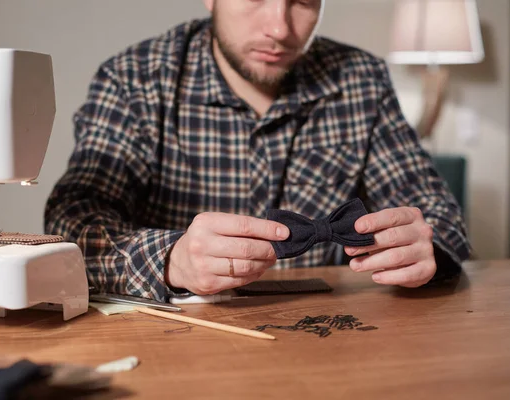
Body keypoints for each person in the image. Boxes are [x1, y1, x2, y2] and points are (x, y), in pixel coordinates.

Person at [44, 0, 471, 302]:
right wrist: (172, 259)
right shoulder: (133, 80)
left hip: (326, 340)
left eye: (302, 1)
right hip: (172, 340)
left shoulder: (362, 79)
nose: (280, 29)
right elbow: (73, 222)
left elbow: (438, 212)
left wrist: (425, 247)